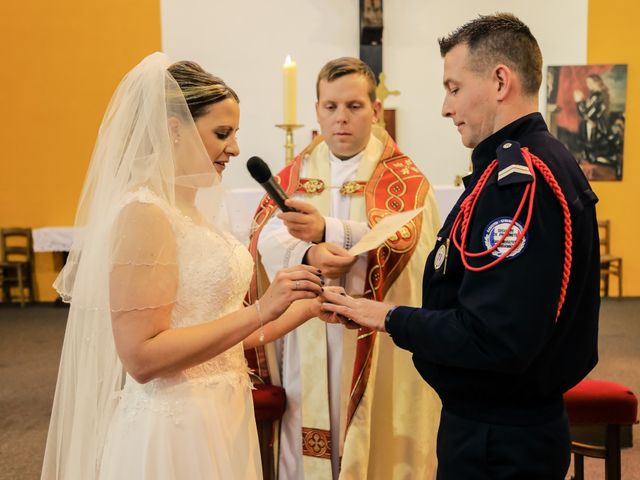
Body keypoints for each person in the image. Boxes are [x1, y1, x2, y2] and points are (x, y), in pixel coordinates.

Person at [321, 13, 600, 480]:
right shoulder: (526, 165)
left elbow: (493, 338)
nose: (445, 108)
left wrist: (388, 317)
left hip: (498, 439)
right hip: (507, 424)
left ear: (499, 81)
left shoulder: (519, 184)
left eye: (453, 87)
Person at [41, 52, 327, 480]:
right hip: (175, 426)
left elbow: (216, 335)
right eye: (222, 133)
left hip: (222, 411)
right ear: (174, 130)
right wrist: (263, 308)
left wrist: (304, 308)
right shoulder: (144, 214)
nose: (234, 148)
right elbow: (141, 357)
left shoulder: (192, 211)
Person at [249, 57, 441, 479]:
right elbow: (263, 232)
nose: (341, 119)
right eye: (330, 107)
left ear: (375, 111)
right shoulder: (297, 173)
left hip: (375, 341)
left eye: (354, 106)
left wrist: (328, 229)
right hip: (306, 334)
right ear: (316, 111)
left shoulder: (402, 177)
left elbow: (409, 239)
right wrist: (307, 254)